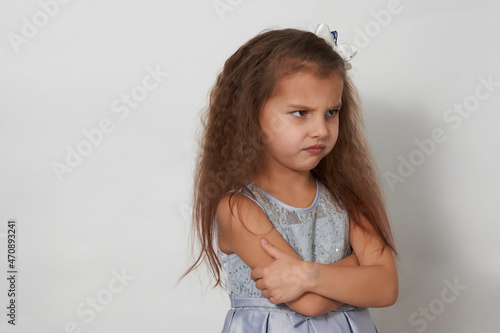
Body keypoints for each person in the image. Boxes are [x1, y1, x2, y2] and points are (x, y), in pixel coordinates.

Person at [183, 24, 398, 332]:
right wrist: (361, 272)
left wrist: (306, 275)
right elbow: (307, 304)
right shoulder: (238, 208)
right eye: (300, 113)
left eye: (331, 112)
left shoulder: (346, 196)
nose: (321, 130)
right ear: (251, 116)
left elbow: (387, 286)